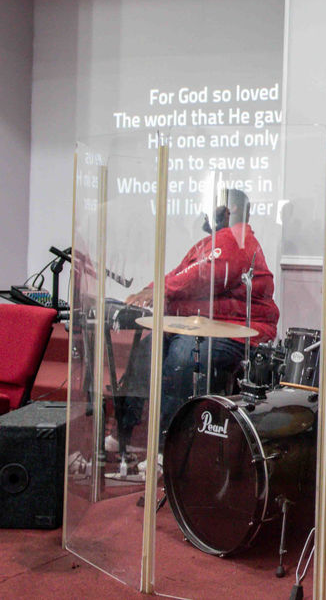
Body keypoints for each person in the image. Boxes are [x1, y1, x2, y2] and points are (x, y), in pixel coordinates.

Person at [113, 188, 279, 461]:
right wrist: (153, 289)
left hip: (238, 332)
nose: (206, 213)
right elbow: (181, 273)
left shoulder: (238, 241)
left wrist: (158, 290)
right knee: (146, 352)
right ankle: (124, 435)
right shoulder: (214, 241)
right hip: (203, 324)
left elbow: (203, 275)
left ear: (231, 211)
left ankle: (168, 446)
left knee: (182, 359)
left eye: (214, 207)